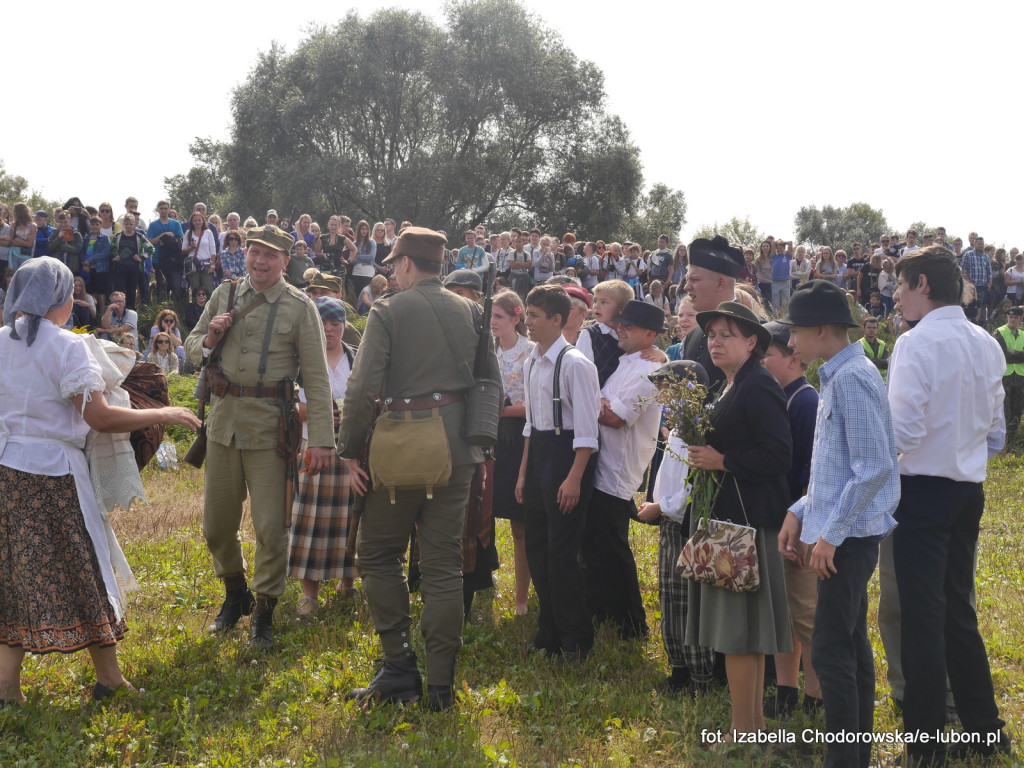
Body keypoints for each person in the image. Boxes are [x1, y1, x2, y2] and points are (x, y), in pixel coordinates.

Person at [0, 258, 199, 705]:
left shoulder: (0, 342)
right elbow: (100, 417)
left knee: (13, 572)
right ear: (61, 298)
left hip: (7, 472)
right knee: (85, 568)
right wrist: (164, 412)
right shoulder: (68, 346)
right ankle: (109, 680)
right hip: (53, 474)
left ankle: (6, 685)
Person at [339, 227, 500, 711]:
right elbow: (490, 383)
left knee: (377, 554)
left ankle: (399, 667)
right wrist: (480, 444)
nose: (392, 272)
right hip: (460, 450)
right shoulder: (473, 311)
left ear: (406, 263)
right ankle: (442, 686)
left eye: (393, 264)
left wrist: (349, 449)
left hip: (402, 446)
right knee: (444, 565)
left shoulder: (388, 310)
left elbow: (362, 386)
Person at [888, 247, 1012, 765]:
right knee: (957, 609)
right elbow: (997, 434)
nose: (895, 297)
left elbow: (902, 431)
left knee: (922, 617)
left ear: (922, 283)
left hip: (922, 492)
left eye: (900, 286)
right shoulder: (986, 342)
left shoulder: (915, 343)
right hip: (967, 490)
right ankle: (985, 730)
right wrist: (962, 456)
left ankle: (925, 746)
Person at [185, 224, 335, 651]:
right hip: (224, 424)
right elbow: (192, 346)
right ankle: (236, 593)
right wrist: (209, 338)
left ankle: (264, 611)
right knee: (216, 526)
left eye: (271, 255)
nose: (261, 260)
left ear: (286, 261)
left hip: (272, 430)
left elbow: (317, 379)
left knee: (271, 528)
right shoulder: (225, 293)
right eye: (255, 251)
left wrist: (322, 439)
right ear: (245, 253)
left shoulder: (300, 307)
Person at [685, 301, 792, 742]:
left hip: (746, 526)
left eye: (725, 335)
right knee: (741, 634)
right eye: (711, 335)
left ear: (752, 342)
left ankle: (742, 729)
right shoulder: (731, 384)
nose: (715, 342)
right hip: (731, 523)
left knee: (738, 634)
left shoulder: (757, 386)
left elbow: (779, 456)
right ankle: (752, 725)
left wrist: (723, 460)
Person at [515, 284, 600, 663]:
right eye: (527, 314)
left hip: (567, 459)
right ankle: (548, 631)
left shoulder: (575, 364)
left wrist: (574, 478)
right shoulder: (532, 361)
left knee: (562, 553)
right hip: (539, 458)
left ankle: (576, 639)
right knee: (537, 547)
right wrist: (523, 475)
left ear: (556, 320)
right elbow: (531, 426)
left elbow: (587, 430)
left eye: (534, 316)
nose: (528, 322)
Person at [584, 301, 664, 641]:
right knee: (598, 545)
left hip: (618, 469)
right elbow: (604, 405)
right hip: (604, 464)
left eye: (629, 326)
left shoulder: (649, 369)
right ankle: (605, 612)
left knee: (613, 548)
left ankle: (633, 623)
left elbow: (616, 417)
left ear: (650, 334)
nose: (621, 329)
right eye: (621, 324)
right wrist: (599, 404)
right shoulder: (627, 361)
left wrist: (594, 404)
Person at [636, 360, 717, 694]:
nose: (662, 398)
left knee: (687, 599)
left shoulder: (696, 433)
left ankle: (700, 675)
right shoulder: (679, 430)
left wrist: (661, 507)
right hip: (670, 523)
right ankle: (679, 667)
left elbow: (692, 486)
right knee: (669, 597)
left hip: (686, 524)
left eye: (668, 390)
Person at [760, 321, 823, 720]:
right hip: (779, 521)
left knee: (806, 613)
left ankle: (817, 695)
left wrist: (801, 525)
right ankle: (787, 689)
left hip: (800, 523)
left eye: (767, 355)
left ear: (793, 358)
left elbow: (812, 473)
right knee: (782, 612)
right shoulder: (778, 397)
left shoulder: (805, 401)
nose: (760, 362)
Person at [290, 297, 358, 617]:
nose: (329, 329)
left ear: (344, 325)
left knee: (351, 519)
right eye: (323, 323)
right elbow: (288, 404)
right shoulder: (300, 360)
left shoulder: (356, 358)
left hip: (353, 450)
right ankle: (309, 596)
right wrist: (316, 413)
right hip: (312, 445)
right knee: (310, 521)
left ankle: (349, 585)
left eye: (335, 323)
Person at [490, 289, 533, 616]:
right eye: (491, 316)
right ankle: (483, 578)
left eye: (499, 316)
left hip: (519, 437)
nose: (492, 322)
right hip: (488, 437)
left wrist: (501, 411)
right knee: (482, 516)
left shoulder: (529, 352)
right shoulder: (487, 352)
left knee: (520, 524)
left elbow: (535, 406)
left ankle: (522, 598)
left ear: (516, 317)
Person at [682, 236, 746, 394]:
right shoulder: (692, 335)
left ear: (720, 283)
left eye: (694, 279)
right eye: (687, 280)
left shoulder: (753, 330)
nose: (686, 287)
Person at [110, 214, 154, 311]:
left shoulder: (139, 237)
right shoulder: (118, 236)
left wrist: (141, 257)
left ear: (135, 224)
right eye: (126, 224)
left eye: (131, 224)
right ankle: (118, 311)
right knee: (119, 291)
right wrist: (114, 256)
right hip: (120, 268)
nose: (128, 226)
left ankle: (131, 312)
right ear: (123, 224)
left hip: (134, 268)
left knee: (131, 291)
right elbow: (112, 249)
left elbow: (151, 249)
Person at [994, 305, 1024, 444]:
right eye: (1010, 316)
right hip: (1005, 377)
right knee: (1004, 409)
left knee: (1017, 409)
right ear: (1007, 316)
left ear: (1020, 319)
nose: (1012, 319)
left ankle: (1012, 440)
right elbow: (1001, 355)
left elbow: (1009, 355)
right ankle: (1002, 440)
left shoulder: (1022, 334)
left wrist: (1014, 353)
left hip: (1020, 377)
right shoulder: (999, 332)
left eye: (1015, 317)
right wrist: (1020, 355)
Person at [183, 211, 218, 298]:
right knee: (196, 290)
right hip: (193, 265)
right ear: (192, 222)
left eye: (199, 220)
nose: (197, 222)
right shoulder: (188, 233)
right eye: (195, 220)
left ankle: (210, 306)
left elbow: (213, 250)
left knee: (209, 289)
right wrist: (191, 248)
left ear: (203, 221)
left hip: (206, 264)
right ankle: (196, 306)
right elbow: (183, 250)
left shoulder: (208, 232)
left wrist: (212, 265)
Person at [859, 315, 889, 382]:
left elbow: (887, 364)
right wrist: (883, 362)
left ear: (877, 329)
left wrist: (872, 361)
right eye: (869, 327)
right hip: (867, 382)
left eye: (874, 328)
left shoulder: (882, 344)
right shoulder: (859, 344)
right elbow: (865, 364)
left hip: (883, 383)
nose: (871, 330)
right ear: (863, 328)